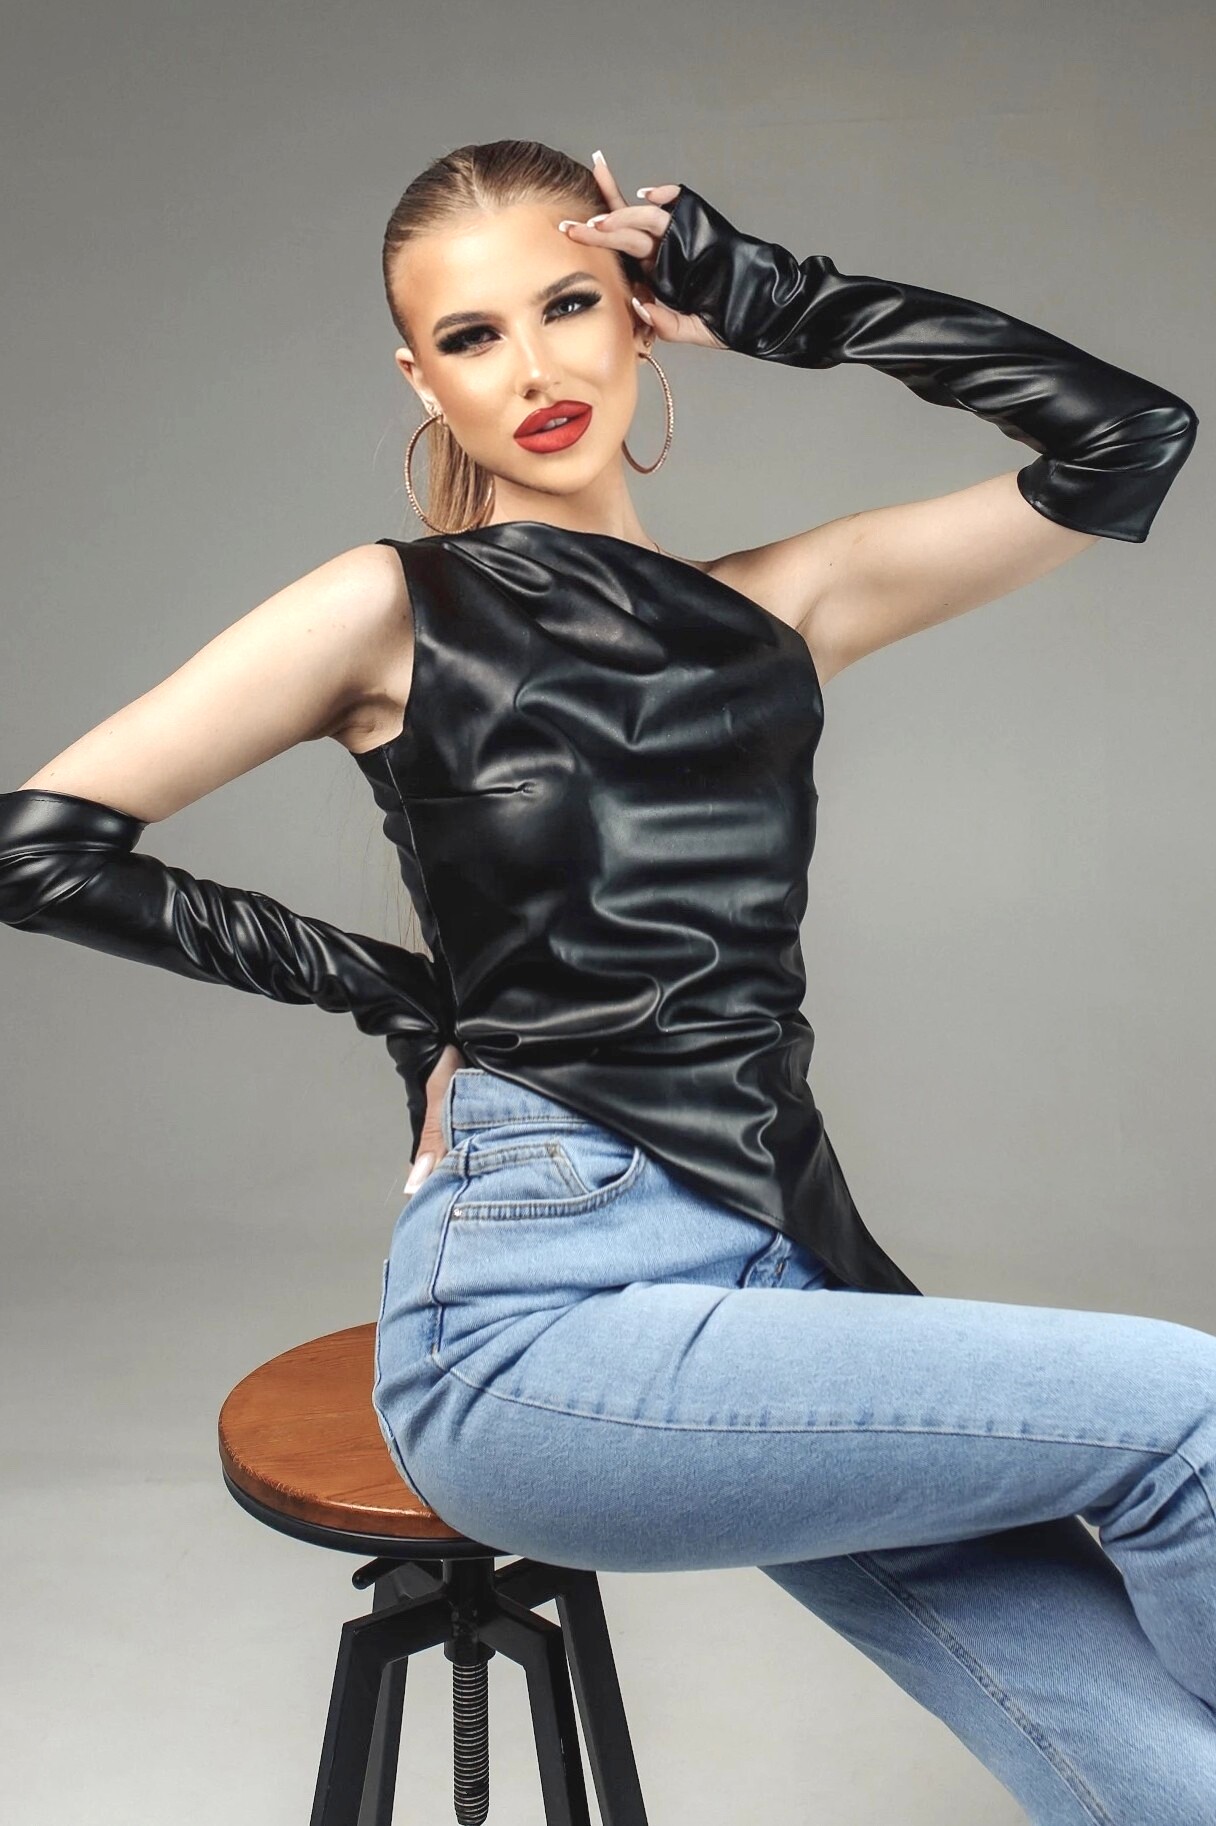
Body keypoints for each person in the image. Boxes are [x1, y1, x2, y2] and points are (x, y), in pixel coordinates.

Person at [0, 138, 1209, 1818]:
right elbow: (42, 845)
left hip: (790, 1274)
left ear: (640, 314)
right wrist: (405, 994)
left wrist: (786, 300)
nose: (535, 368)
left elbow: (1128, 438)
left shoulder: (783, 608)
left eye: (569, 305)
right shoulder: (390, 606)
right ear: (420, 378)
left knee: (1165, 1764)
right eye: (473, 335)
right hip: (530, 1318)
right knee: (1192, 1413)